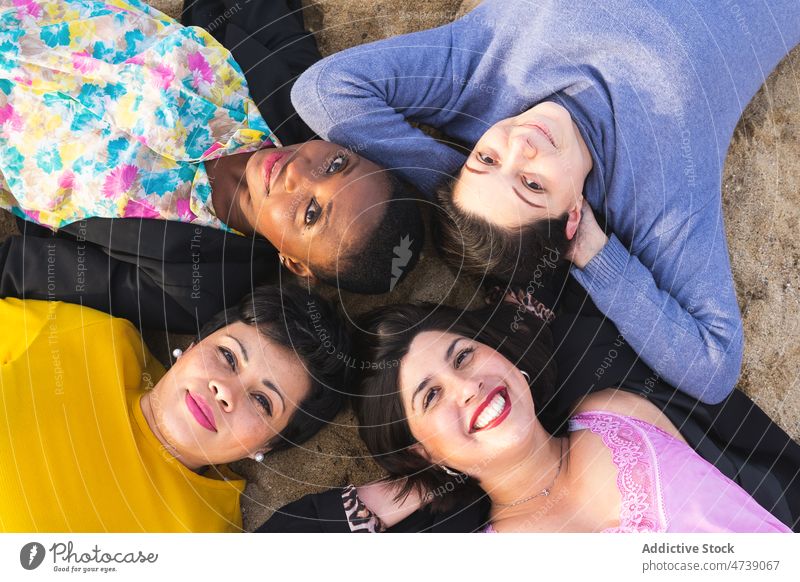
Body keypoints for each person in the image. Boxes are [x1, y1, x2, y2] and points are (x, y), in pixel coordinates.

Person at [290, 0, 800, 404]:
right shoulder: (661, 186)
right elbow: (711, 367)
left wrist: (463, 200)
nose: (519, 146)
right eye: (533, 185)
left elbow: (323, 89)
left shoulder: (481, 75)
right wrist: (595, 255)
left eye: (485, 159)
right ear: (574, 214)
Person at [0, 0, 423, 329]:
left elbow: (29, 267)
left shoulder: (194, 286)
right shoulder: (292, 93)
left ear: (295, 264)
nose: (299, 171)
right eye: (336, 164)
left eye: (311, 213)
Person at [259, 291, 800, 532]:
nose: (467, 388)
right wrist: (401, 493)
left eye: (464, 355)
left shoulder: (619, 402)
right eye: (431, 397)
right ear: (422, 452)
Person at [0, 283, 352, 532]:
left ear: (268, 446)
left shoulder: (202, 539)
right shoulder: (95, 338)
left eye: (262, 401)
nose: (224, 390)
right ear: (196, 342)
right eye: (228, 356)